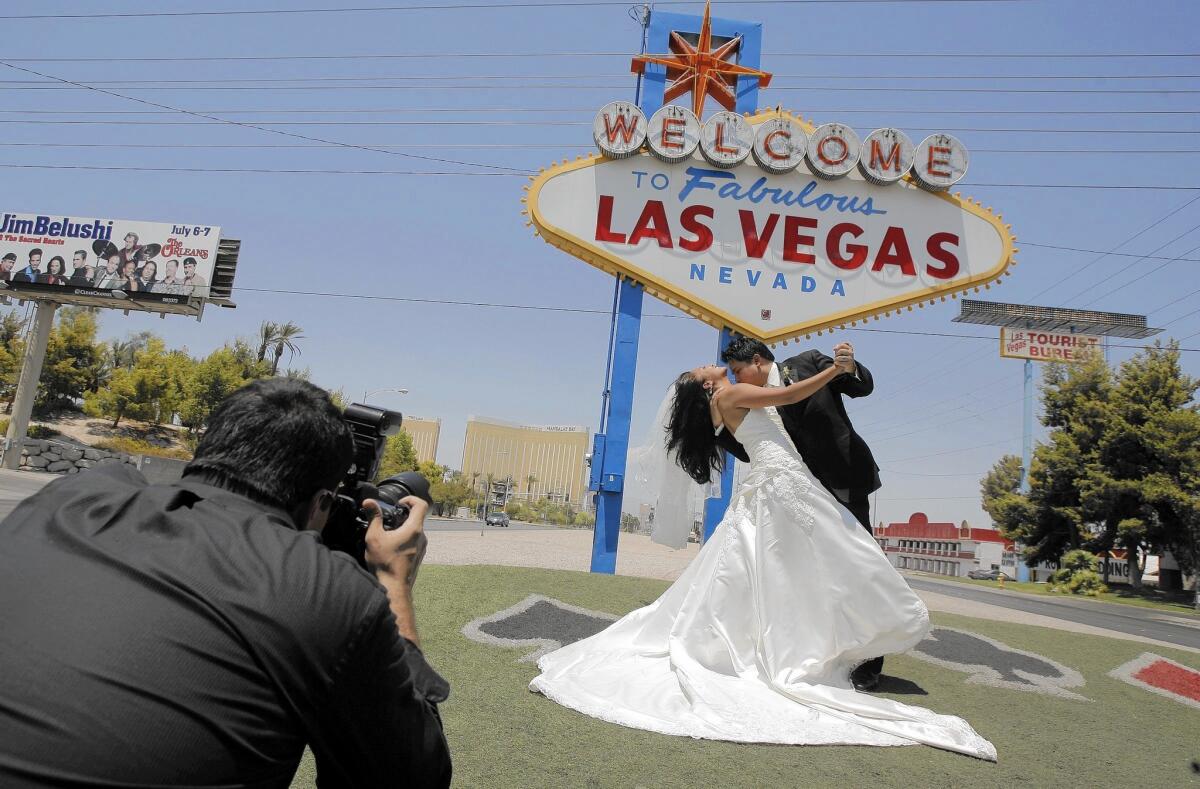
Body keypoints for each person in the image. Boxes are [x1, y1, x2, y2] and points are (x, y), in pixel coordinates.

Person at [529, 357, 996, 761]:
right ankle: (804, 643)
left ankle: (794, 640)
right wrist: (834, 370)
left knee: (769, 569)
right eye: (702, 369)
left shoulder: (719, 403)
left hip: (776, 485)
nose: (710, 364)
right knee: (816, 559)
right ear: (706, 384)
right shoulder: (732, 393)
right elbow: (790, 393)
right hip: (780, 486)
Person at [0, 378, 453, 787]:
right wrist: (393, 582)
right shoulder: (321, 588)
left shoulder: (71, 498)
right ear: (320, 503)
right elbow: (413, 778)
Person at [719, 336, 885, 689]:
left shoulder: (808, 362)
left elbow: (860, 388)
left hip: (843, 481)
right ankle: (823, 652)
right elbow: (751, 450)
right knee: (813, 575)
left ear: (760, 361)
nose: (736, 380)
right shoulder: (751, 401)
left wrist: (850, 365)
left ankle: (869, 659)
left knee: (860, 565)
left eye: (738, 372)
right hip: (797, 496)